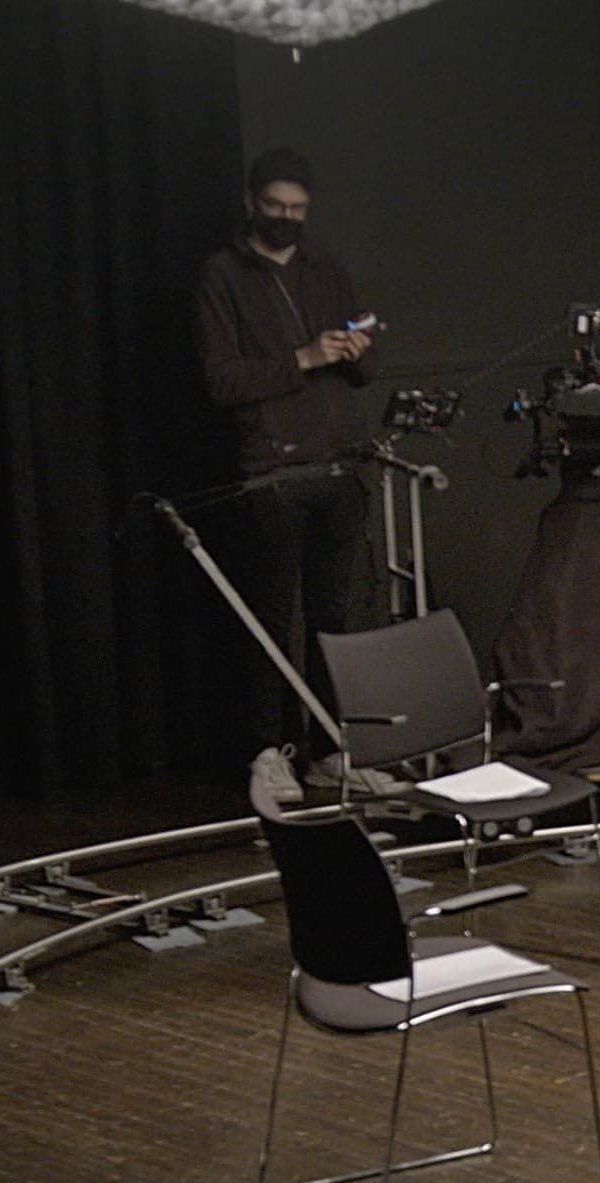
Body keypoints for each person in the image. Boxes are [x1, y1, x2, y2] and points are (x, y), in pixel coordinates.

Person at [195, 146, 379, 783]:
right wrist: (302, 357)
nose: (286, 218)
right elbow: (220, 380)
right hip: (271, 470)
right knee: (271, 616)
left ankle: (331, 750)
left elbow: (363, 367)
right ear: (251, 203)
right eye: (274, 207)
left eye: (297, 209)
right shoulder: (223, 275)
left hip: (339, 463)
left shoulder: (325, 269)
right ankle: (268, 751)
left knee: (334, 617)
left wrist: (354, 347)